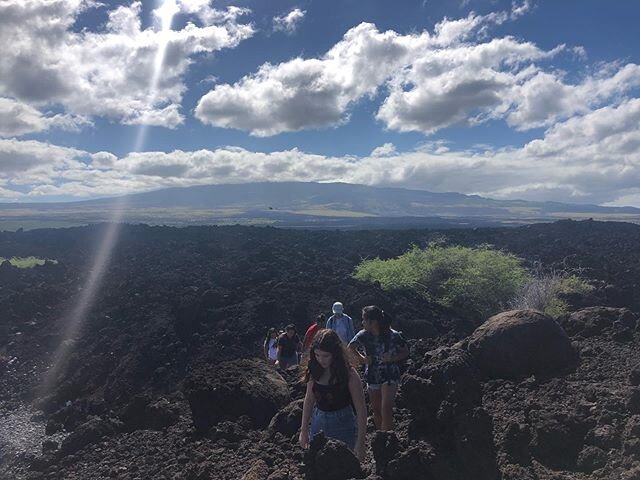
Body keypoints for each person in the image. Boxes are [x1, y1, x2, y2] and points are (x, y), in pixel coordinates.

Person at [299, 329, 367, 461]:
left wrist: (361, 441)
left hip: (343, 422)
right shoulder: (315, 370)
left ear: (335, 354)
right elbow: (308, 400)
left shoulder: (349, 375)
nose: (321, 360)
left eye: (325, 356)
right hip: (318, 422)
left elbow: (361, 409)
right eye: (317, 355)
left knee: (343, 466)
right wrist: (304, 430)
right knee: (319, 465)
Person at [348, 305, 409, 431]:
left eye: (364, 320)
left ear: (373, 322)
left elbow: (405, 351)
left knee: (386, 408)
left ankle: (389, 438)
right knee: (376, 410)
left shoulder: (393, 335)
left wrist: (392, 358)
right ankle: (381, 436)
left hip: (390, 374)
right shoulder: (363, 335)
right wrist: (363, 359)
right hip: (372, 375)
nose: (362, 322)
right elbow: (350, 348)